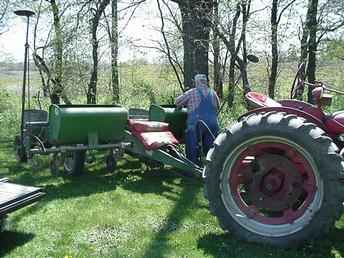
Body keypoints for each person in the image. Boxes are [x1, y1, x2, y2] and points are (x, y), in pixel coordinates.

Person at [176, 74, 220, 164]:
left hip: (196, 124)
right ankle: (210, 168)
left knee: (191, 143)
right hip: (212, 125)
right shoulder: (213, 93)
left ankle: (191, 167)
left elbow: (177, 102)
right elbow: (217, 107)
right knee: (210, 148)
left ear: (196, 82)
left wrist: (183, 106)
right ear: (206, 82)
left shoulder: (192, 92)